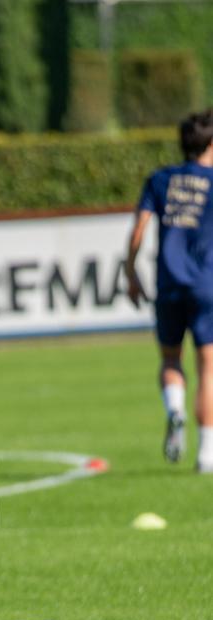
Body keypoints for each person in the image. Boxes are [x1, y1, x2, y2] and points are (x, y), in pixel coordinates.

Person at [126, 108, 213, 472]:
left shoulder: (160, 179)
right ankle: (207, 455)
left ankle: (174, 411)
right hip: (207, 284)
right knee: (208, 368)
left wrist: (131, 273)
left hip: (168, 284)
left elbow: (138, 232)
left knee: (170, 359)